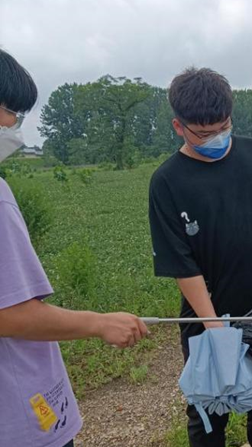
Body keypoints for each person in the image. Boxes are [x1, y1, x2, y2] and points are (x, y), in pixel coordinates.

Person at [148, 67, 252, 447]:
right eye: (203, 133)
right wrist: (215, 328)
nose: (216, 137)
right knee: (209, 412)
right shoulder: (167, 182)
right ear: (178, 126)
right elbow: (182, 265)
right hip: (207, 317)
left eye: (223, 127)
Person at [0, 49, 148, 447]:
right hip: (19, 418)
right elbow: (9, 314)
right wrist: (99, 324)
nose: (12, 124)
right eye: (9, 110)